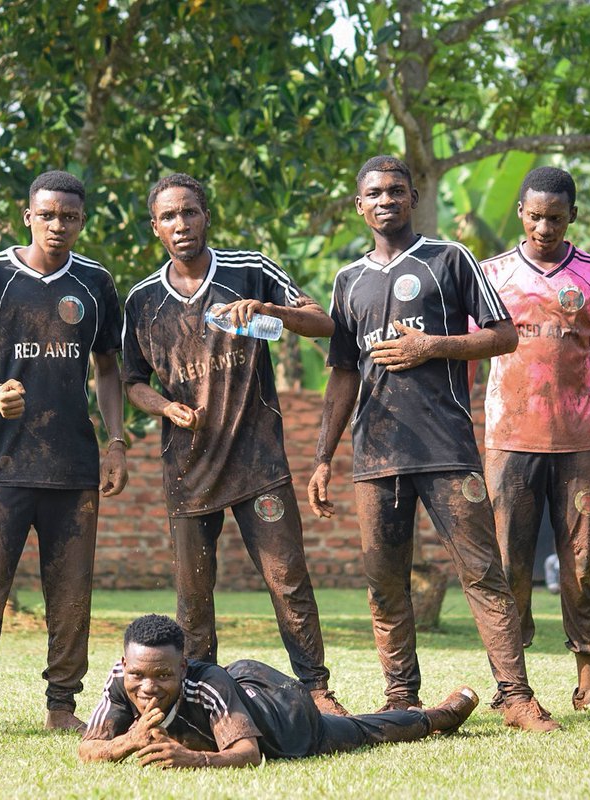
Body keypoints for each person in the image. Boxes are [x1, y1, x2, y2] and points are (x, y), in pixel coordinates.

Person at [307, 155, 559, 732]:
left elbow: (504, 336)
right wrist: (323, 456)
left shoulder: (449, 259)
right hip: (375, 457)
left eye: (396, 190)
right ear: (360, 205)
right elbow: (343, 373)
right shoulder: (348, 281)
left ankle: (515, 697)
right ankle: (400, 698)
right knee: (384, 580)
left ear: (413, 196)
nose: (386, 199)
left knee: (482, 573)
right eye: (374, 192)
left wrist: (431, 348)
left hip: (447, 450)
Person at [122, 173, 346, 716]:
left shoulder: (249, 269)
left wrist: (272, 312)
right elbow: (131, 383)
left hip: (258, 463)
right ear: (156, 227)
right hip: (188, 469)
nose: (181, 224)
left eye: (190, 213)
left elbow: (323, 322)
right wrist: (165, 407)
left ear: (205, 216)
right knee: (194, 602)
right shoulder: (143, 301)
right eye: (169, 217)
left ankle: (317, 689)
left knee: (287, 578)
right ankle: (201, 701)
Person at [0, 171, 127, 737]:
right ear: (28, 215)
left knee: (71, 591)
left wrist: (116, 441)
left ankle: (62, 706)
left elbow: (108, 368)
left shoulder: (95, 282)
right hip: (4, 466)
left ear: (81, 221)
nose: (57, 225)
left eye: (69, 217)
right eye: (47, 215)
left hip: (74, 466)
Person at [479, 166, 590, 713]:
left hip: (581, 444)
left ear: (572, 216)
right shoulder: (490, 276)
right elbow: (464, 354)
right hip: (509, 442)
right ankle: (513, 688)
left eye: (555, 217)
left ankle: (589, 685)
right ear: (521, 215)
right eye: (534, 216)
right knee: (508, 567)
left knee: (583, 565)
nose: (544, 227)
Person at [78, 614, 479, 768]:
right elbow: (88, 748)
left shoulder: (206, 684)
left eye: (162, 676)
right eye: (137, 675)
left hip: (283, 716)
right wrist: (123, 743)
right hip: (243, 694)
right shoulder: (121, 679)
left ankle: (437, 716)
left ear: (182, 668)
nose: (147, 687)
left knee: (362, 731)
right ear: (126, 664)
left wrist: (194, 759)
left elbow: (247, 754)